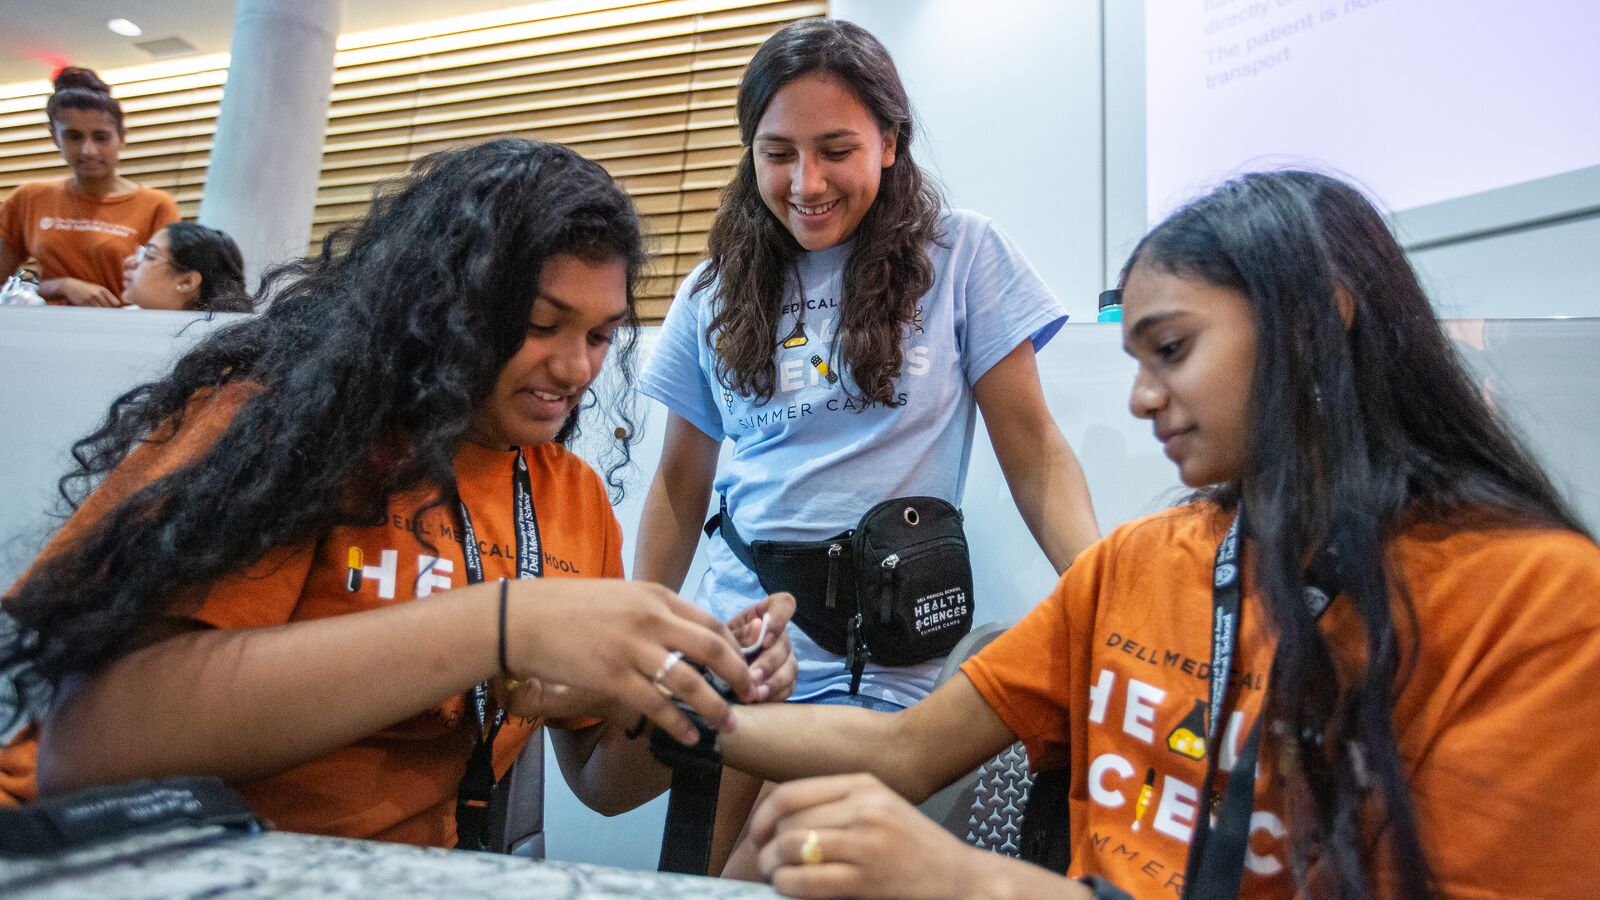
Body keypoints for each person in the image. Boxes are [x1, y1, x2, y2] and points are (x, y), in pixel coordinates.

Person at [713, 170, 1600, 898]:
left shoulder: (1535, 601)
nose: (1139, 398)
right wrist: (679, 701)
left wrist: (986, 886)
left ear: (1314, 323)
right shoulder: (1135, 565)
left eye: (1170, 350)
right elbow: (905, 749)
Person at [0, 138, 797, 846]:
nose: (576, 369)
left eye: (598, 335)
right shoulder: (281, 423)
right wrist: (500, 625)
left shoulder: (568, 496)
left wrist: (710, 695)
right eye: (539, 324)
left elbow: (601, 780)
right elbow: (92, 744)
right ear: (447, 306)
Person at [632, 18, 1100, 874]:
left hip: (878, 665)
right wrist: (633, 633)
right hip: (741, 645)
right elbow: (675, 485)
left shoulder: (961, 255)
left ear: (890, 141)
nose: (805, 182)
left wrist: (1109, 595)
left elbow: (1033, 453)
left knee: (775, 866)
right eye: (777, 153)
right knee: (699, 876)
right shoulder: (712, 288)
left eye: (835, 149)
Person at [0, 67, 180, 307]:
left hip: (121, 333)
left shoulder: (156, 205)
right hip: (41, 332)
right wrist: (60, 285)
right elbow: (5, 281)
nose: (89, 150)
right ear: (55, 137)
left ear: (121, 136)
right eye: (74, 136)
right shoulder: (28, 198)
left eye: (101, 137)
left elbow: (171, 291)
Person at [120, 222, 253, 312]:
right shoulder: (124, 320)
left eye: (149, 255)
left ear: (186, 282)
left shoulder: (217, 349)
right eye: (141, 252)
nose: (131, 262)